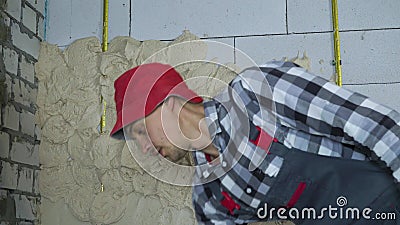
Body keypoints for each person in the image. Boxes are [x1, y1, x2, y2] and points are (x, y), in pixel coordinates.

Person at [110, 61, 400, 224]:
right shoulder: (209, 198)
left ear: (168, 102)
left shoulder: (256, 95)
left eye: (139, 131)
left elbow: (376, 126)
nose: (144, 147)